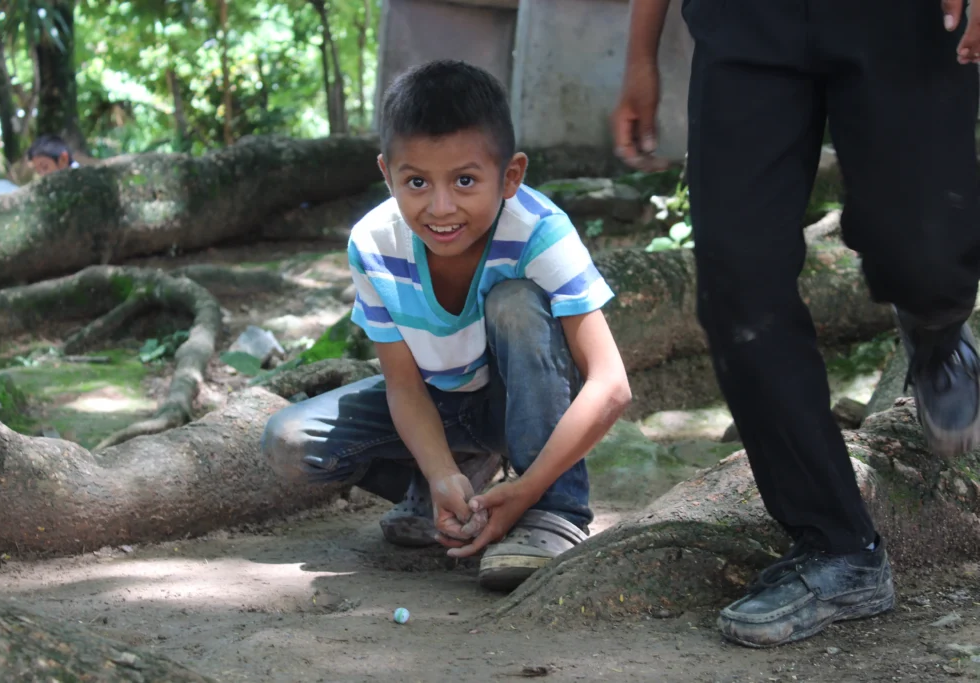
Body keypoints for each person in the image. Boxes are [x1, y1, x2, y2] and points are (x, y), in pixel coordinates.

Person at [612, 0, 980, 649]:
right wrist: (640, 57)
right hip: (745, 20)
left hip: (903, 16)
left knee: (919, 248)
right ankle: (837, 546)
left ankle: (936, 328)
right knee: (738, 281)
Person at [261, 59, 632, 591]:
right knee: (289, 440)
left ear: (510, 176)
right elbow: (404, 385)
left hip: (524, 406)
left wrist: (527, 491)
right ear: (386, 173)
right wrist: (439, 474)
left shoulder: (539, 232)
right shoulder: (373, 244)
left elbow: (611, 385)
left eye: (464, 180)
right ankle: (461, 483)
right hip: (442, 405)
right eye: (415, 181)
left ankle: (553, 513)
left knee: (514, 303)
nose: (440, 207)